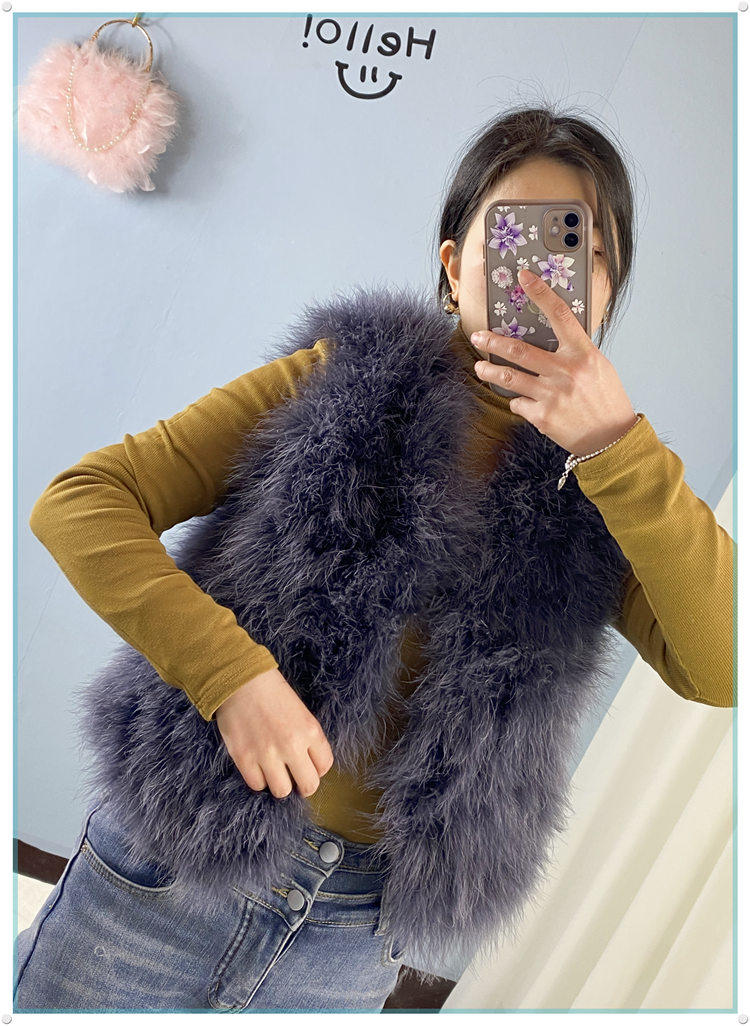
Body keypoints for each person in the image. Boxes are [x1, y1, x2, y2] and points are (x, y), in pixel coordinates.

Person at [15, 104, 734, 1012]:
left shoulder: (617, 488)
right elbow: (82, 501)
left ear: (608, 286)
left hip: (356, 939)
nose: (544, 273)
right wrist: (231, 677)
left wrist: (618, 447)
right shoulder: (341, 380)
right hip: (167, 872)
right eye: (516, 235)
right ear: (455, 265)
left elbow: (724, 667)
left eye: (581, 248)